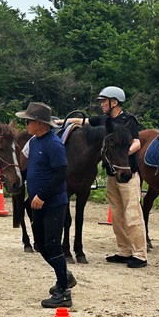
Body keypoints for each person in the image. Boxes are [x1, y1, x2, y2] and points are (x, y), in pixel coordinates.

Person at [66, 86, 146, 268]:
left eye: (104, 101)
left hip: (127, 174)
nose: (101, 104)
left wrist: (122, 152)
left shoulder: (128, 120)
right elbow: (83, 121)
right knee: (117, 215)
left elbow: (137, 142)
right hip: (112, 175)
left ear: (114, 102)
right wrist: (59, 121)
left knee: (132, 214)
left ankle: (140, 255)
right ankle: (124, 251)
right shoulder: (105, 120)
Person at [15, 102, 75, 308]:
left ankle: (64, 292)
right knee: (40, 245)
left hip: (53, 204)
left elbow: (61, 173)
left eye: (28, 121)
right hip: (37, 203)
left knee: (52, 245)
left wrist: (43, 196)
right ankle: (64, 275)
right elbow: (34, 169)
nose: (26, 124)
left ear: (39, 123)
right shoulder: (34, 142)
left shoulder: (54, 145)